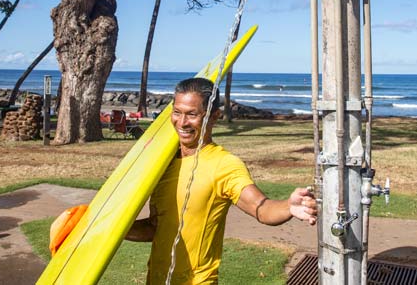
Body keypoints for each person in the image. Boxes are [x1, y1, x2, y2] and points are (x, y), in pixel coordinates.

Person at [125, 77, 317, 284]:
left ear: (214, 116)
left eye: (192, 114)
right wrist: (104, 227)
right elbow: (155, 227)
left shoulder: (224, 165)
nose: (182, 122)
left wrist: (288, 206)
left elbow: (261, 208)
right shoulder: (165, 162)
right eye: (177, 112)